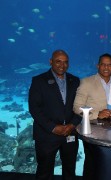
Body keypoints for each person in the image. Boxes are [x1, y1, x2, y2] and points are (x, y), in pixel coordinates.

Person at [28, 49, 80, 180]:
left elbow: (81, 107)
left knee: (70, 170)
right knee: (44, 172)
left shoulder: (76, 81)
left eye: (65, 62)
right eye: (58, 61)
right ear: (50, 61)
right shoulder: (38, 81)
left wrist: (72, 125)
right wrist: (53, 127)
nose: (62, 65)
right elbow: (34, 109)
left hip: (70, 133)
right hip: (46, 135)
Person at [73, 53, 111, 179]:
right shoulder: (86, 82)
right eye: (103, 64)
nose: (106, 67)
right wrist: (97, 114)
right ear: (97, 66)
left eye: (109, 64)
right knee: (92, 164)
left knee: (110, 164)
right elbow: (77, 107)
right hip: (92, 130)